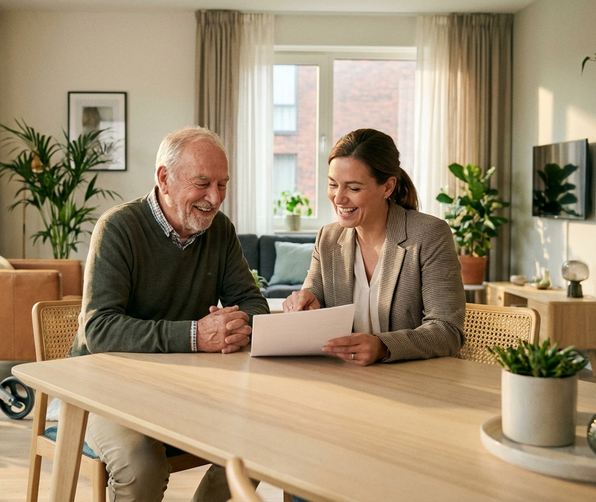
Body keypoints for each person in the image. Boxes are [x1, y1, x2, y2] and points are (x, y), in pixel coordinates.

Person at [70, 126, 269, 502]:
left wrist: (235, 325)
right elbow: (99, 329)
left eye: (223, 184)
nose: (215, 198)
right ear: (164, 178)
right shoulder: (118, 228)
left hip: (187, 387)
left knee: (261, 440)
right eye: (203, 183)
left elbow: (252, 302)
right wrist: (195, 335)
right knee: (142, 466)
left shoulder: (220, 231)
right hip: (106, 388)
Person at [281, 128, 465, 366]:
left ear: (387, 187)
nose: (338, 198)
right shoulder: (327, 238)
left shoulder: (429, 235)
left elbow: (448, 330)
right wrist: (303, 304)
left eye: (354, 188)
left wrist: (383, 346)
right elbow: (314, 297)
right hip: (348, 380)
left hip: (416, 382)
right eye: (333, 184)